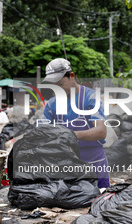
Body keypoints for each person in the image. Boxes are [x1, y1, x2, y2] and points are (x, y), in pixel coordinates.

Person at [42, 58, 110, 189]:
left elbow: (101, 132)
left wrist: (70, 135)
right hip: (65, 164)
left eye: (60, 84)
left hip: (93, 162)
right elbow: (45, 133)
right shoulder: (51, 104)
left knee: (99, 200)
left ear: (72, 76)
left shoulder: (91, 98)